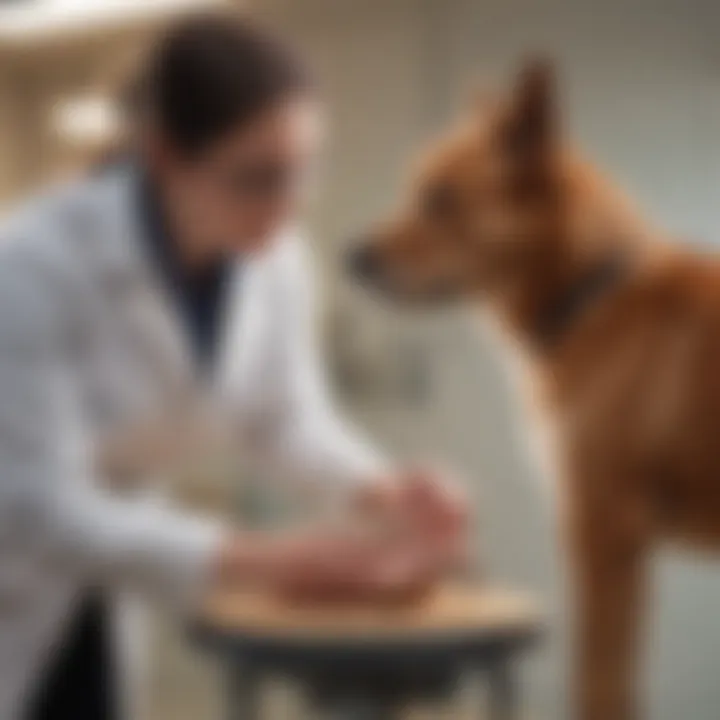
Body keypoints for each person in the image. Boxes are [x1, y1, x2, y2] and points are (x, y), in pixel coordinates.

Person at [0, 11, 468, 720]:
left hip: (104, 583)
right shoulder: (33, 263)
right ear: (162, 156)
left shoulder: (271, 258)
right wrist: (270, 561)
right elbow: (32, 506)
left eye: (303, 172)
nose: (286, 208)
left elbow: (285, 419)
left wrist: (383, 488)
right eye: (258, 178)